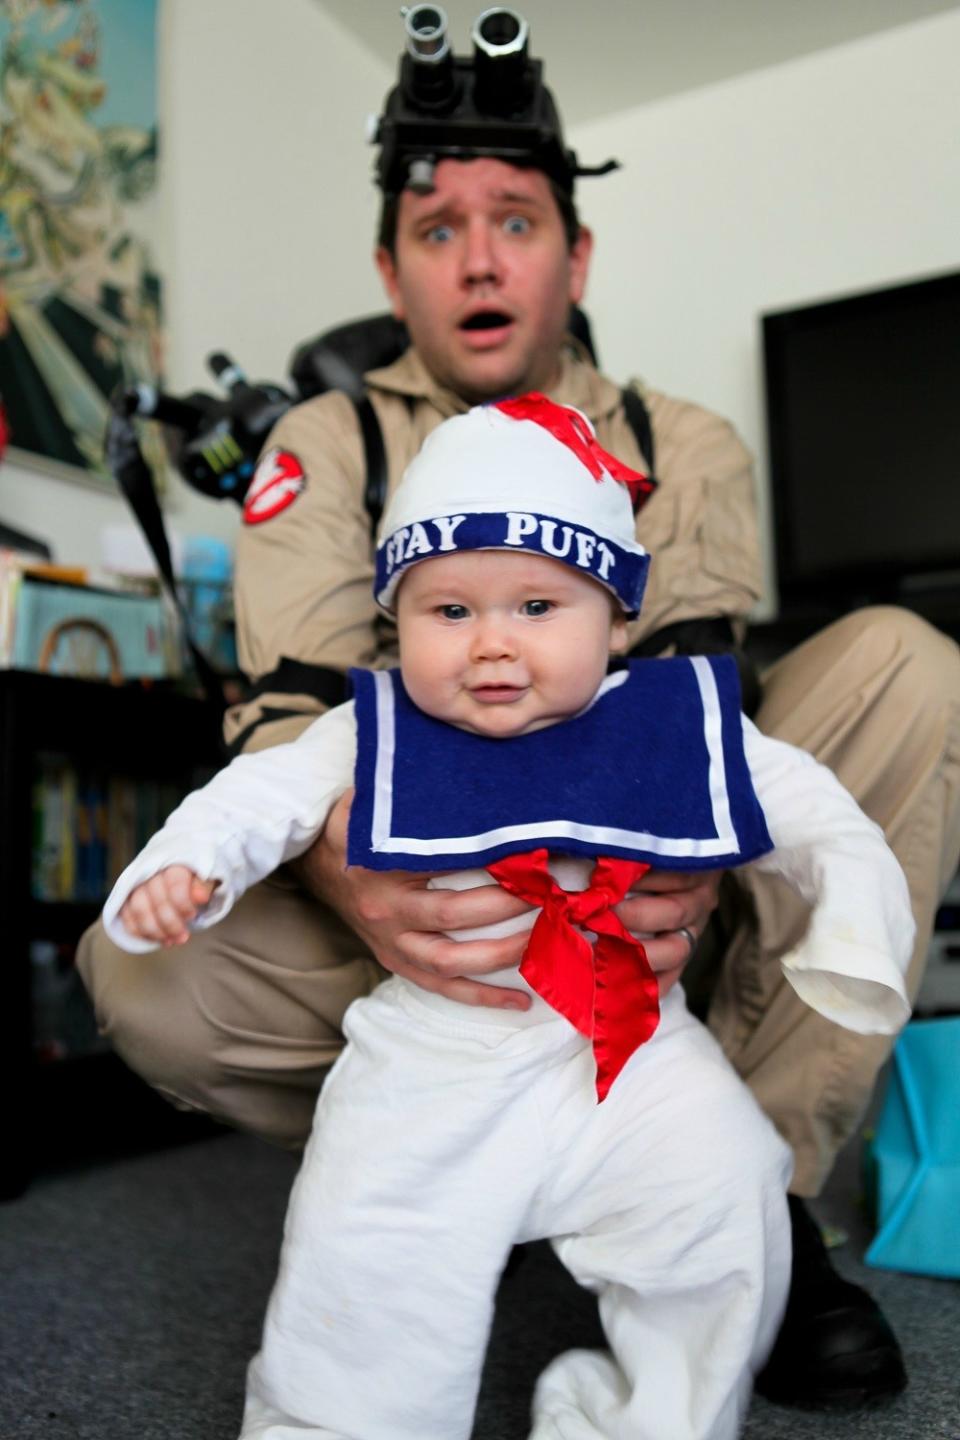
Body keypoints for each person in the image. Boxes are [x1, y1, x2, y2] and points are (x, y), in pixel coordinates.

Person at [77, 18, 960, 1413]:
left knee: (911, 658)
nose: (480, 259)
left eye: (517, 220)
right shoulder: (326, 445)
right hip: (430, 927)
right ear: (390, 267)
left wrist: (680, 865)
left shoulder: (684, 440)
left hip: (659, 899)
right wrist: (346, 873)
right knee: (137, 966)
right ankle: (461, 1159)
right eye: (437, 228)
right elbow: (299, 728)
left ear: (576, 253)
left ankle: (754, 1191)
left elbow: (690, 708)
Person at [103, 396, 914, 1440]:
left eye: (538, 607)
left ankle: (653, 1419)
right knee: (366, 1264)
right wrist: (184, 868)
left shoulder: (667, 720)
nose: (491, 644)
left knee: (725, 1197)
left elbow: (821, 819)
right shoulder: (376, 729)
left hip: (632, 1053)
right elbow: (253, 800)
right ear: (398, 622)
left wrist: (850, 927)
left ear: (617, 619)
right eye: (449, 611)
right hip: (435, 1062)